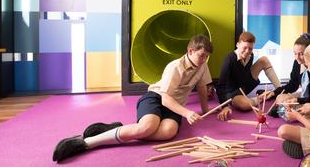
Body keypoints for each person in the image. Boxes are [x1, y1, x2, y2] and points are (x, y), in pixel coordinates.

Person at [52, 35, 215, 162]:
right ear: (190, 51)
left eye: (206, 56)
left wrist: (206, 111)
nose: (203, 60)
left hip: (175, 106)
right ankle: (87, 142)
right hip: (157, 98)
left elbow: (201, 87)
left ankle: (116, 130)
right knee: (146, 128)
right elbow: (165, 99)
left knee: (168, 132)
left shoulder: (202, 66)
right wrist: (187, 113)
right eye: (201, 55)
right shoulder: (174, 67)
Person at [216, 32, 283, 120]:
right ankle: (259, 98)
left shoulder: (250, 56)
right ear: (237, 45)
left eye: (250, 48)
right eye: (245, 47)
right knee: (246, 105)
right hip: (233, 93)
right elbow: (220, 86)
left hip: (245, 85)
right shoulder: (229, 59)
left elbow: (246, 73)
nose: (247, 51)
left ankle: (280, 90)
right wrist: (224, 106)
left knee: (264, 60)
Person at [260, 33, 310, 117]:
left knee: (284, 109)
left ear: (309, 52)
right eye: (295, 53)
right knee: (280, 97)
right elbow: (292, 85)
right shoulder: (297, 63)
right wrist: (274, 92)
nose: (297, 57)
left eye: (301, 54)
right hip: (304, 96)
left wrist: (298, 100)